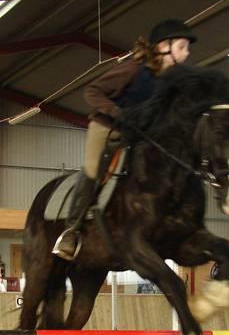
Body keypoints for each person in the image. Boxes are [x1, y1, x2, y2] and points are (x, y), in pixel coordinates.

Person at [52, 19, 197, 260]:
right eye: (182, 47)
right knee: (93, 171)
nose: (187, 53)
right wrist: (118, 113)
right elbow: (92, 92)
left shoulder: (169, 83)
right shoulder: (133, 69)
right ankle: (71, 230)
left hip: (138, 136)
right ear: (163, 46)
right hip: (108, 129)